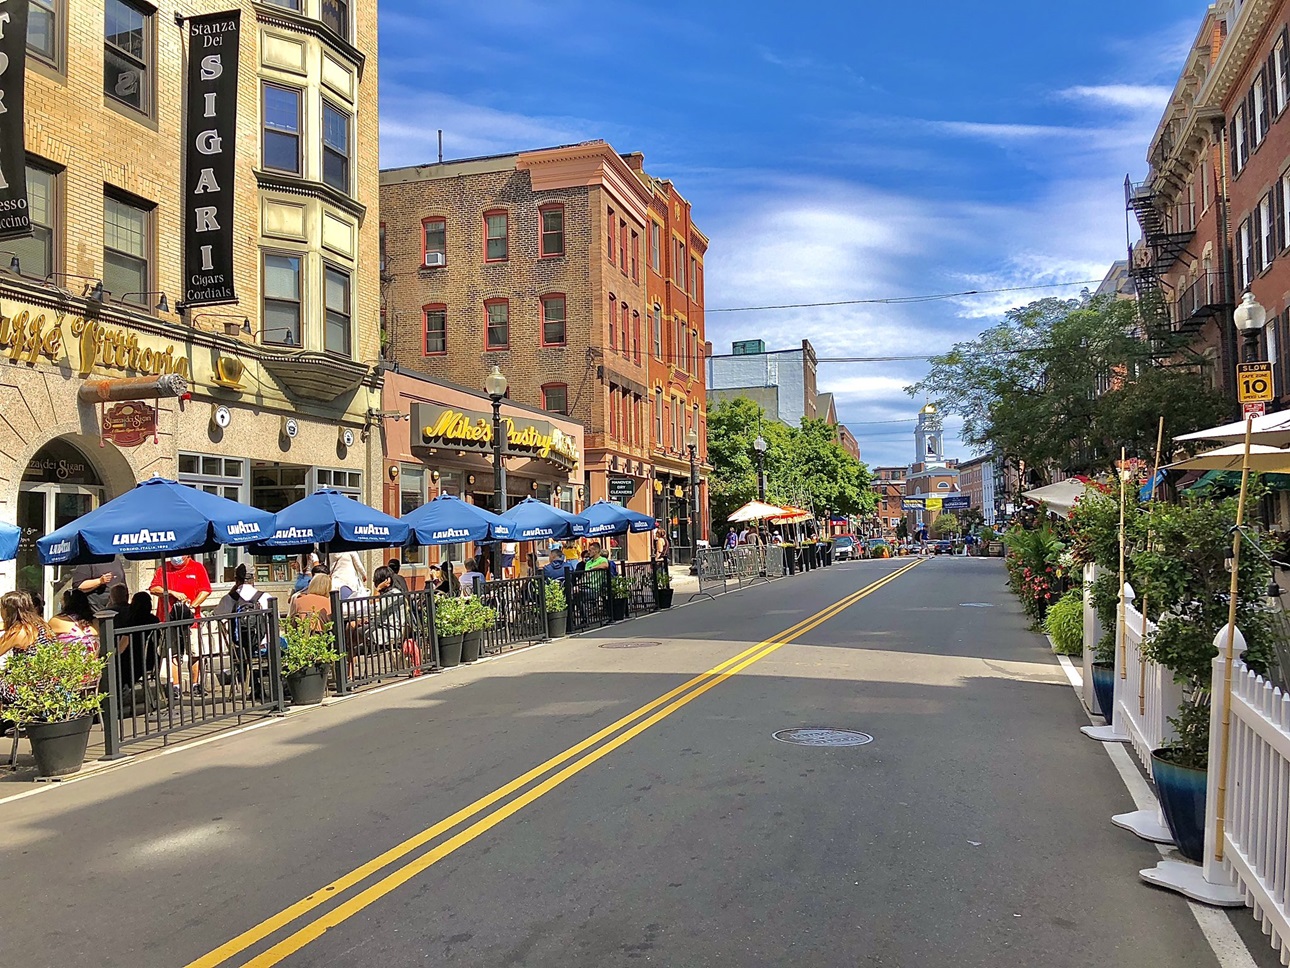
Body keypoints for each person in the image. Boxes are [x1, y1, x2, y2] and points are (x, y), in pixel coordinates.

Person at [0, 591, 55, 709]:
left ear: (8, 610)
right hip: (48, 685)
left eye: (1, 608)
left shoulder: (18, 631)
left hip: (28, 688)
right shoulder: (41, 624)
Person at [115, 592, 160, 692]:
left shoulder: (132, 622)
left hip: (134, 661)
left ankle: (121, 690)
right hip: (151, 659)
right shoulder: (155, 620)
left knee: (115, 664)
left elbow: (121, 648)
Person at [49, 589, 100, 656]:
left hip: (69, 664)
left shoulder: (57, 621)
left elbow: (46, 639)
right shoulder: (95, 622)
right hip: (93, 664)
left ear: (66, 603)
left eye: (62, 600)